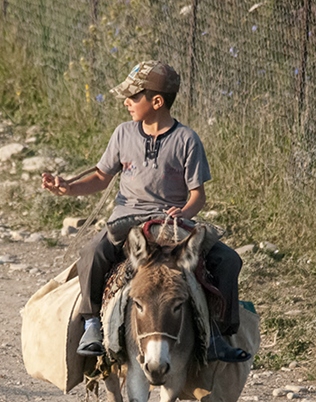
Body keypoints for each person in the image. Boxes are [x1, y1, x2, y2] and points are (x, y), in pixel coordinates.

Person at [41, 60, 248, 363]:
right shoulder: (123, 134)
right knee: (92, 253)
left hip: (171, 224)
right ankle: (92, 324)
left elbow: (197, 195)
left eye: (133, 97)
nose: (127, 102)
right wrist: (68, 187)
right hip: (127, 220)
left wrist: (184, 212)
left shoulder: (186, 140)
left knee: (229, 261)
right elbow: (100, 177)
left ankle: (218, 335)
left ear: (157, 101)